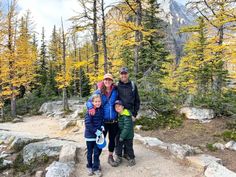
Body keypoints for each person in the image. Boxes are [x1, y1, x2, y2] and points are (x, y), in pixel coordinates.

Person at [87, 73, 119, 167]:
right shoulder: (99, 91)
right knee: (100, 140)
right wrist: (90, 108)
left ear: (112, 81)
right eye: (106, 79)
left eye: (109, 79)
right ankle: (96, 160)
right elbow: (89, 101)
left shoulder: (116, 91)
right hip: (103, 122)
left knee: (112, 140)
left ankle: (110, 157)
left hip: (114, 121)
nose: (107, 81)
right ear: (103, 81)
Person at [117, 67, 140, 159]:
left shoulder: (133, 85)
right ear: (120, 75)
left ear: (128, 74)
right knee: (118, 135)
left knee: (128, 136)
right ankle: (118, 154)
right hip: (119, 114)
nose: (123, 75)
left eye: (125, 73)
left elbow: (137, 101)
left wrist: (134, 114)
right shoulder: (117, 86)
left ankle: (127, 153)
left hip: (129, 115)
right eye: (122, 73)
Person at [84, 94, 104, 176]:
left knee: (96, 153)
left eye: (99, 101)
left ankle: (95, 168)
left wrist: (102, 126)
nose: (98, 103)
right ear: (92, 102)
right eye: (96, 101)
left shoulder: (100, 110)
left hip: (97, 137)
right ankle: (89, 166)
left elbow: (102, 120)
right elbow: (88, 124)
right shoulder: (90, 111)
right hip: (89, 136)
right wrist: (96, 132)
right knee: (89, 152)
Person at [114, 100, 135, 166]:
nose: (117, 108)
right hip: (121, 134)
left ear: (123, 107)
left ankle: (132, 159)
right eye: (116, 107)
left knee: (129, 147)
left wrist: (122, 136)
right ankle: (119, 157)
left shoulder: (126, 115)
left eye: (119, 106)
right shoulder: (119, 114)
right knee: (118, 146)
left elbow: (127, 127)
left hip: (128, 135)